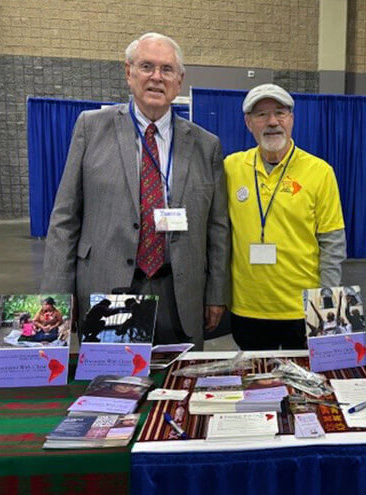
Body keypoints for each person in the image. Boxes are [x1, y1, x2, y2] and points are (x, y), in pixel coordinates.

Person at [40, 33, 230, 349]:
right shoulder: (91, 127)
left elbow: (218, 230)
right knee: (109, 389)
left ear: (179, 81)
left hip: (179, 295)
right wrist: (57, 295)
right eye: (146, 66)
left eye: (167, 69)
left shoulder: (206, 145)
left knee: (178, 391)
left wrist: (216, 294)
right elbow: (65, 218)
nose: (157, 77)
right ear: (128, 73)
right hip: (107, 289)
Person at [224, 84, 346, 350]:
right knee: (258, 386)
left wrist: (327, 302)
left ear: (291, 119)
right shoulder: (231, 167)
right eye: (261, 115)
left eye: (279, 113)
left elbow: (333, 244)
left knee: (306, 388)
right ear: (248, 123)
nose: (272, 122)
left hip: (303, 309)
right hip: (247, 308)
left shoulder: (320, 171)